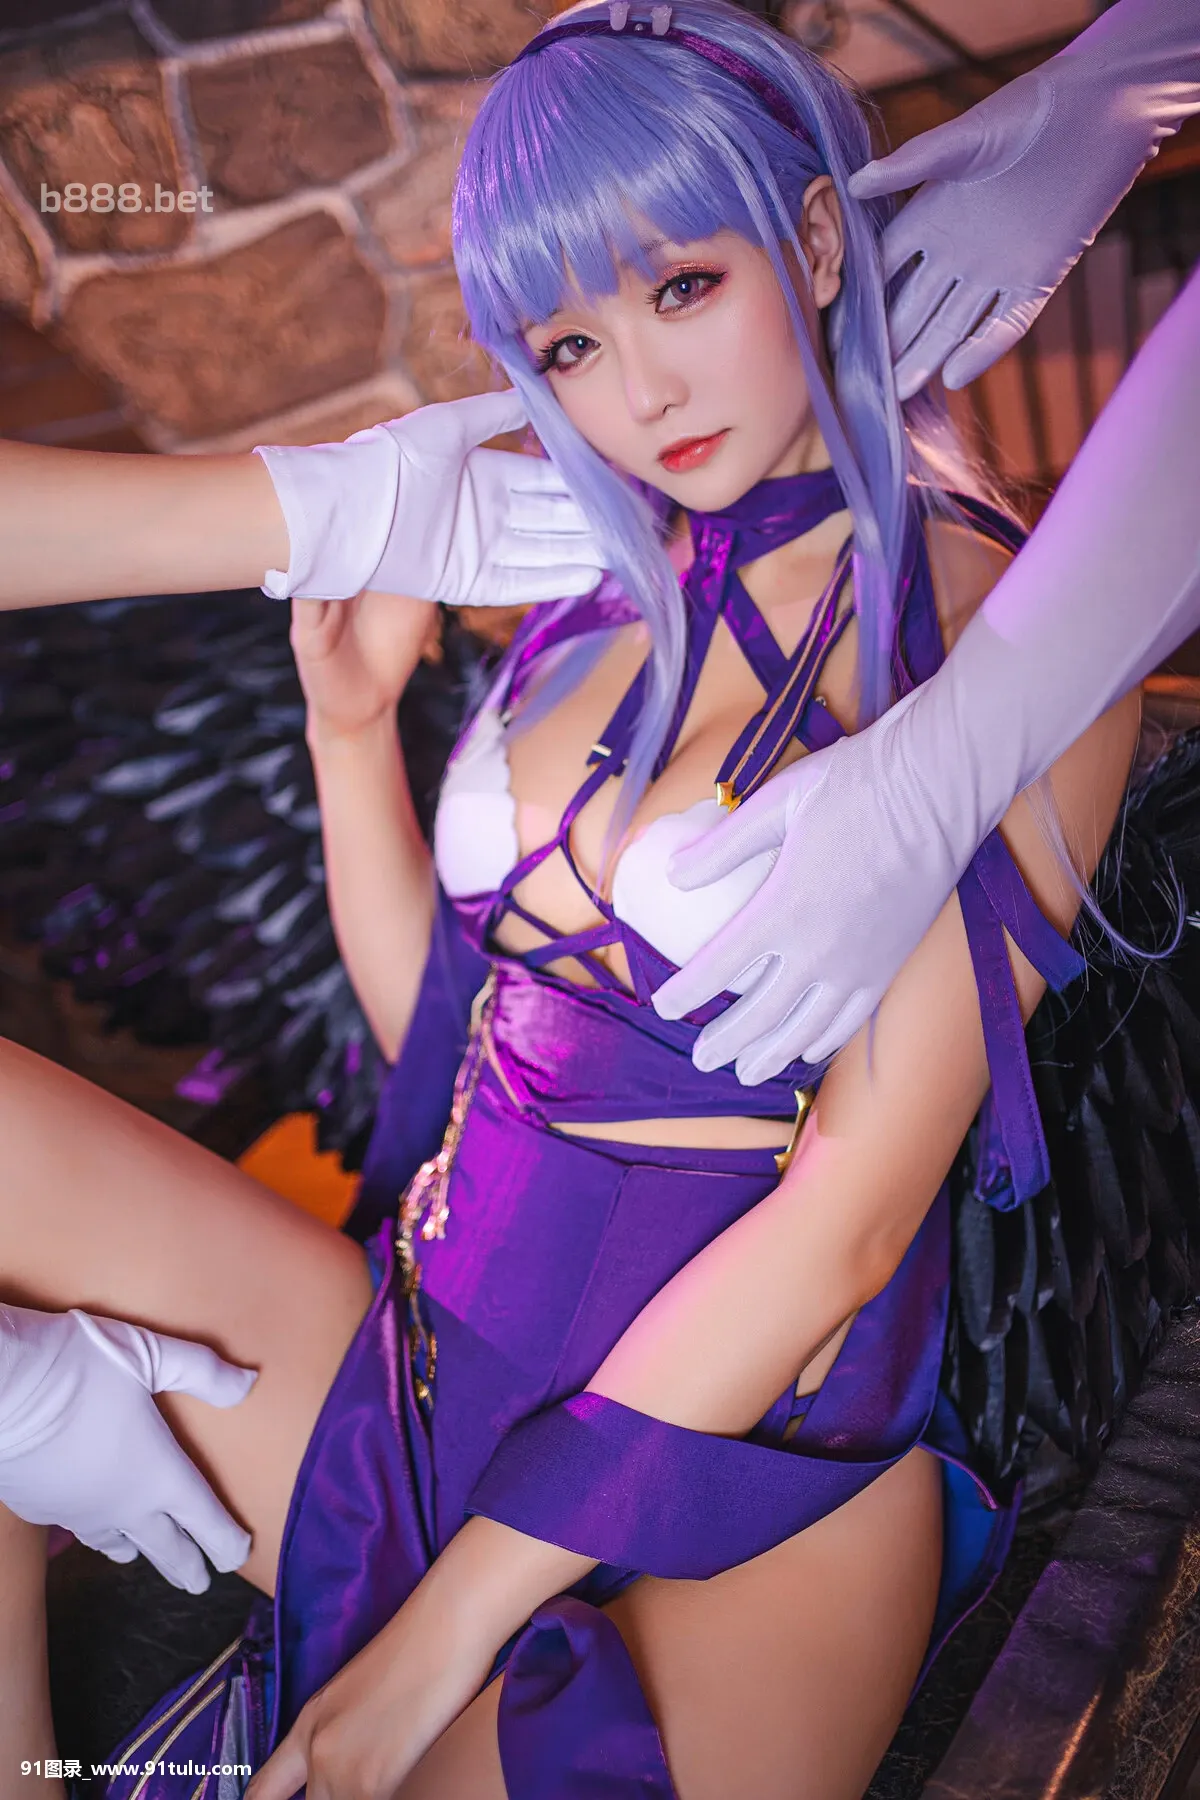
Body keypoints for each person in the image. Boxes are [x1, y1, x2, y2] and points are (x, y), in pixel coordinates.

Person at [0, 4, 1160, 1797]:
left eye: (682, 286)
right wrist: (349, 732)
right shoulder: (582, 597)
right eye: (571, 342)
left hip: (740, 1465)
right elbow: (454, 1048)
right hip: (424, 1347)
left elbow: (850, 1222)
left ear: (820, 237)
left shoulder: (1003, 632)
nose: (642, 394)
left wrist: (427, 1650)